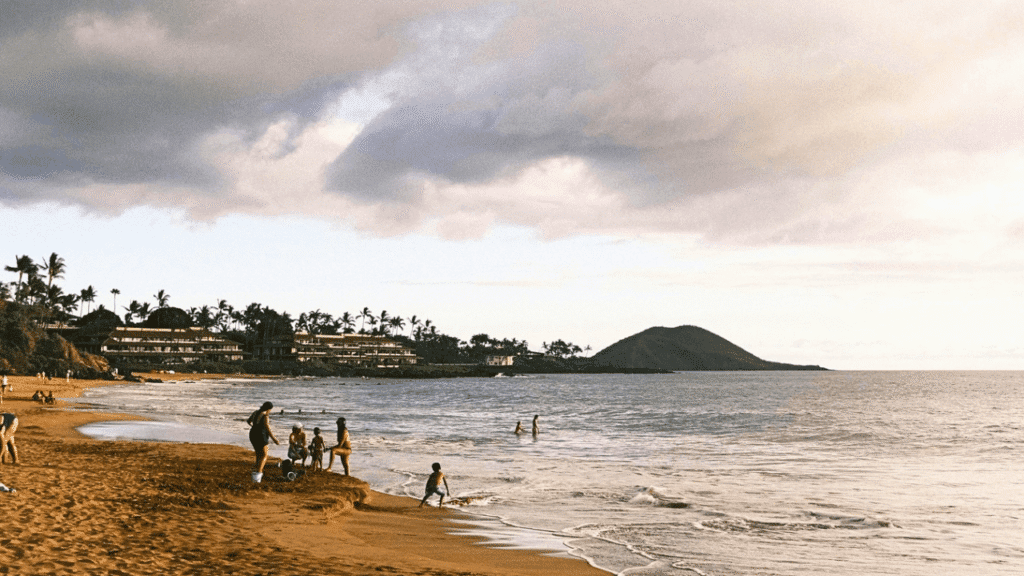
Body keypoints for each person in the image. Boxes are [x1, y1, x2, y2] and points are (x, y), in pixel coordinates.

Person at [246, 401, 279, 478]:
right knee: (264, 455)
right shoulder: (265, 416)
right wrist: (275, 439)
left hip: (252, 433)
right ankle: (258, 473)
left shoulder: (255, 412)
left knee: (258, 454)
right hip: (261, 435)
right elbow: (268, 429)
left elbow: (248, 421)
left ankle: (256, 471)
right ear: (269, 409)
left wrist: (254, 427)